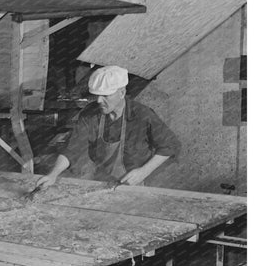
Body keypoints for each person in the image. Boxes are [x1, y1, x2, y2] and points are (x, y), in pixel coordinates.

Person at [37, 65, 181, 188]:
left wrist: (143, 172)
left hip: (131, 185)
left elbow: (170, 145)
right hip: (100, 182)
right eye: (97, 95)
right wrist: (53, 174)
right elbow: (72, 148)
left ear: (122, 93)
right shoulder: (90, 114)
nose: (99, 100)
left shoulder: (142, 115)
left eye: (105, 95)